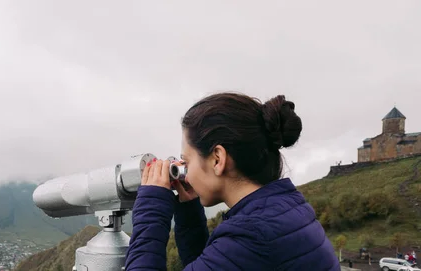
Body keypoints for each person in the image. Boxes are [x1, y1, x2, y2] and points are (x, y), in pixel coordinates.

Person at [124, 92, 340, 270]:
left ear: (218, 159)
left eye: (187, 161)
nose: (185, 174)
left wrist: (151, 206)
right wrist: (189, 213)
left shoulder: (251, 235)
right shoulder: (287, 211)